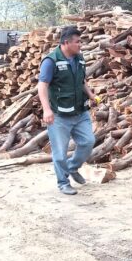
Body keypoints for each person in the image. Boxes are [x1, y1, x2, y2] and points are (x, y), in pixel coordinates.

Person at [37, 26, 98, 195]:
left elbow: (82, 80)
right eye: (77, 42)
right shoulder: (51, 61)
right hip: (59, 115)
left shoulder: (79, 59)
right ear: (66, 43)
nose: (81, 45)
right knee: (60, 153)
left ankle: (72, 167)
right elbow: (42, 86)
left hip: (80, 111)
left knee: (88, 142)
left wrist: (91, 95)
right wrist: (46, 110)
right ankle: (63, 182)